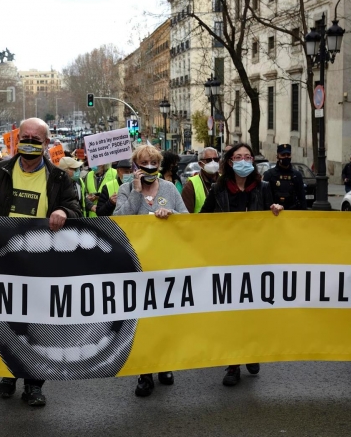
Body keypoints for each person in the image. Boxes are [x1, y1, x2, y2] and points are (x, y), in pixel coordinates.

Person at [0, 117, 81, 407]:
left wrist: (65, 213)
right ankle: (9, 371)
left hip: (41, 261)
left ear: (46, 144)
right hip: (4, 259)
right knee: (7, 319)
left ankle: (33, 383)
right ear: (17, 140)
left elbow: (74, 207)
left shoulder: (58, 178)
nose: (29, 143)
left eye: (36, 139)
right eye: (25, 137)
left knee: (37, 323)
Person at [199, 144, 282, 385]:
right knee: (232, 313)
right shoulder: (218, 189)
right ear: (230, 162)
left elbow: (272, 221)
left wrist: (276, 211)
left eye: (247, 157)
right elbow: (202, 221)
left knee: (253, 312)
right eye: (238, 157)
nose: (243, 160)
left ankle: (252, 351)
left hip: (256, 261)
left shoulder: (264, 189)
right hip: (228, 261)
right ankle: (233, 364)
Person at [112, 145, 186, 397]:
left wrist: (171, 213)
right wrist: (135, 192)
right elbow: (120, 219)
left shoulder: (168, 189)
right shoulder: (125, 189)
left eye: (153, 163)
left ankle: (164, 363)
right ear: (135, 166)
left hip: (165, 263)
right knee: (142, 319)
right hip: (136, 265)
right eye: (144, 163)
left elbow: (186, 219)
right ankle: (145, 373)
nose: (149, 167)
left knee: (164, 316)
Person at [263, 144, 307, 210]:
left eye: (288, 155)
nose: (286, 157)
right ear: (277, 156)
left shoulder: (297, 175)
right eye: (283, 155)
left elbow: (302, 199)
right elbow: (264, 199)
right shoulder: (269, 175)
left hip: (292, 215)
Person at [181, 147, 219, 213]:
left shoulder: (225, 180)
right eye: (209, 160)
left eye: (216, 159)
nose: (213, 163)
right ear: (200, 164)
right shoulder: (191, 185)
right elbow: (186, 215)